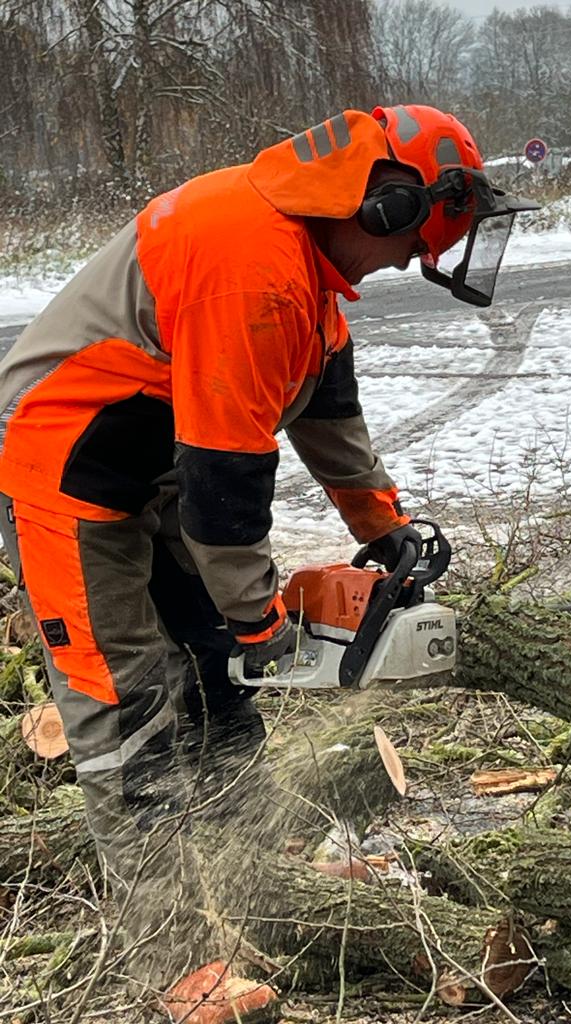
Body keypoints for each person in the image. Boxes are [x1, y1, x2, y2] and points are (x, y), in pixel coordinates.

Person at [0, 104, 533, 1020]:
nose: (406, 264)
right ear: (385, 206)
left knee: (218, 687)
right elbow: (226, 496)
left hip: (154, 471)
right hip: (67, 479)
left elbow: (331, 427)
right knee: (128, 711)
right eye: (410, 247)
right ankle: (171, 963)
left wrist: (387, 528)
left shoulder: (309, 280)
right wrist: (259, 621)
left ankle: (270, 882)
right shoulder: (249, 269)